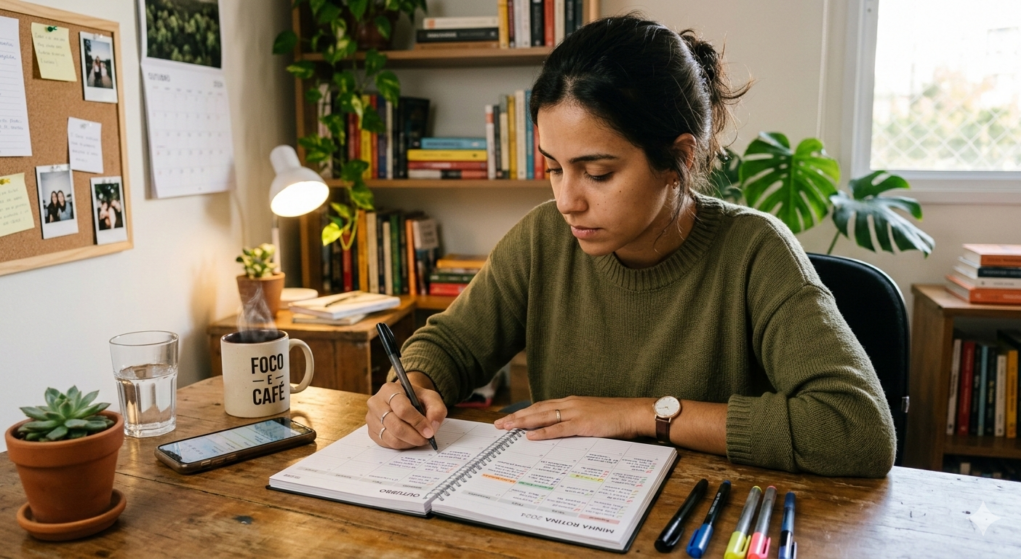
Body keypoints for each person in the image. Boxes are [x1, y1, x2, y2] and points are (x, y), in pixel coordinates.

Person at [366, 15, 896, 478]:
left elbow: (857, 428)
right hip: (569, 510)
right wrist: (409, 387)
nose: (567, 200)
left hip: (702, 520)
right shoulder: (543, 237)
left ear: (679, 159)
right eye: (554, 168)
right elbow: (450, 344)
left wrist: (642, 413)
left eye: (597, 173)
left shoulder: (755, 253)